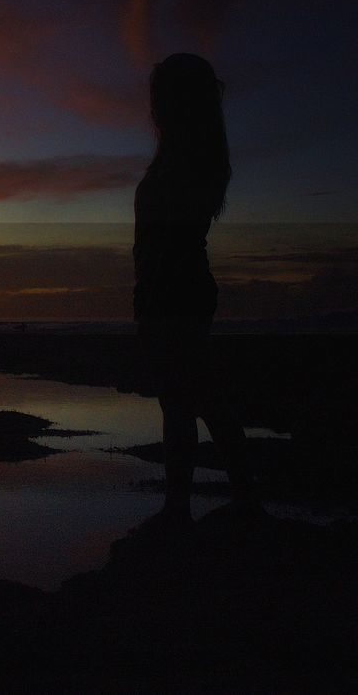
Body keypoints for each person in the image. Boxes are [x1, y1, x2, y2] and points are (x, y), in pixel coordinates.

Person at [133, 53, 259, 531]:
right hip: (176, 288)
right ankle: (213, 502)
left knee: (189, 399)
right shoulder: (183, 155)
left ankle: (184, 508)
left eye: (159, 95)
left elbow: (170, 240)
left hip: (175, 290)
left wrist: (150, 298)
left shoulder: (187, 160)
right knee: (194, 398)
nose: (152, 106)